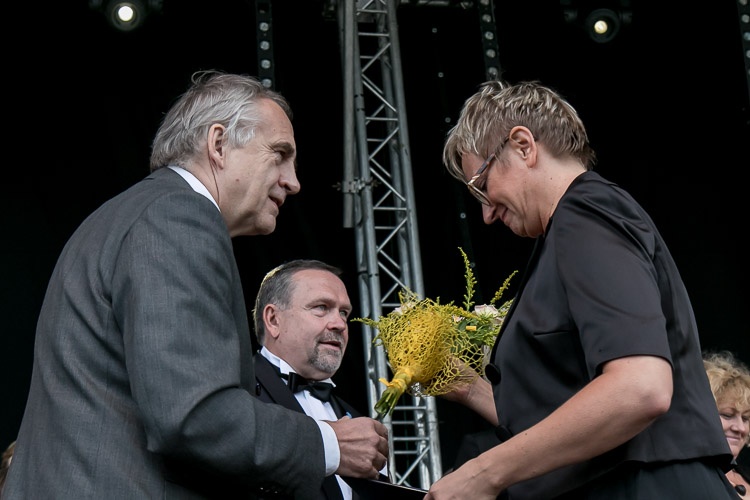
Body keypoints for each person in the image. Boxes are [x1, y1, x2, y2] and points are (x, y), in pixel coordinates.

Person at [2, 70, 388, 499]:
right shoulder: (178, 215)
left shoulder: (132, 213)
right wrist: (328, 443)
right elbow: (193, 415)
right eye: (279, 154)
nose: (293, 181)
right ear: (218, 144)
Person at [426, 79, 736, 499]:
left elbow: (639, 387)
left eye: (481, 184)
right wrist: (469, 388)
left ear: (523, 146)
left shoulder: (584, 214)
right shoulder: (571, 228)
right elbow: (569, 410)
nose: (486, 213)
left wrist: (482, 473)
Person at [252, 259, 389, 500]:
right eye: (321, 307)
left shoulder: (355, 419)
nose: (339, 324)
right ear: (273, 320)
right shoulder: (236, 392)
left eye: (344, 313)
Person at [704, 350, 750, 497]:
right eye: (727, 415)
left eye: (745, 418)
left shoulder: (746, 474)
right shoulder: (687, 477)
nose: (740, 428)